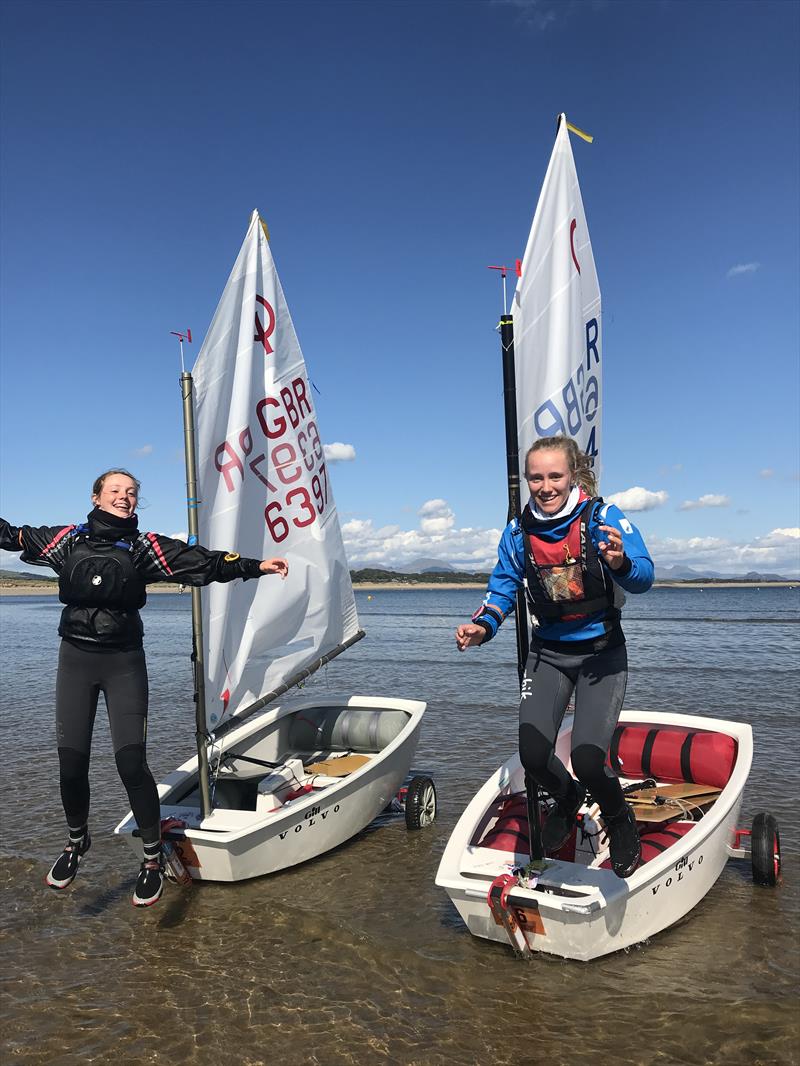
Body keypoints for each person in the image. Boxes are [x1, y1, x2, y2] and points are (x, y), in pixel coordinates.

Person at [0, 469, 288, 907]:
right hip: (75, 661)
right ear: (96, 497)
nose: (125, 497)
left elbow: (203, 562)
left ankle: (152, 859)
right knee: (70, 763)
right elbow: (13, 535)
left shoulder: (145, 547)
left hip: (123, 664)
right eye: (115, 490)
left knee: (131, 764)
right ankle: (77, 842)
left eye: (132, 492)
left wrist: (254, 566)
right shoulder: (64, 541)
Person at [455, 436, 654, 878]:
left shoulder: (603, 516)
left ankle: (620, 820)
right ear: (527, 480)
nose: (545, 486)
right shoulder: (517, 532)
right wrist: (482, 627)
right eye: (536, 477)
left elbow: (645, 576)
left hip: (601, 655)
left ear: (572, 474)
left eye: (555, 476)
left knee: (586, 758)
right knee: (532, 755)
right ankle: (567, 798)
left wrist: (619, 562)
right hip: (549, 653)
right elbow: (502, 589)